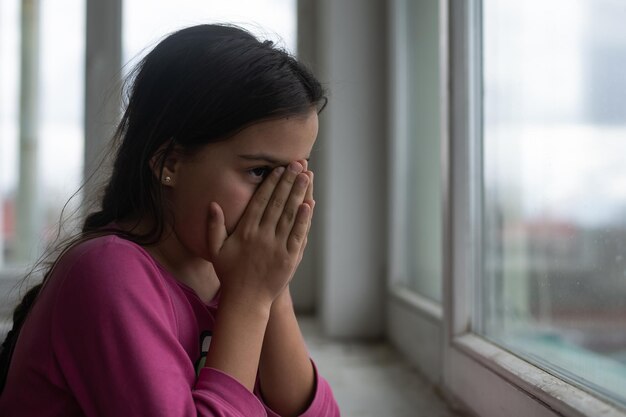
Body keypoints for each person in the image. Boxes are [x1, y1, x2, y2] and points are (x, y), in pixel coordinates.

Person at [0, 24, 339, 417]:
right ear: (170, 163)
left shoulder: (226, 274)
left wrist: (269, 290)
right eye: (260, 172)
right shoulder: (108, 272)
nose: (281, 200)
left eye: (297, 176)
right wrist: (248, 300)